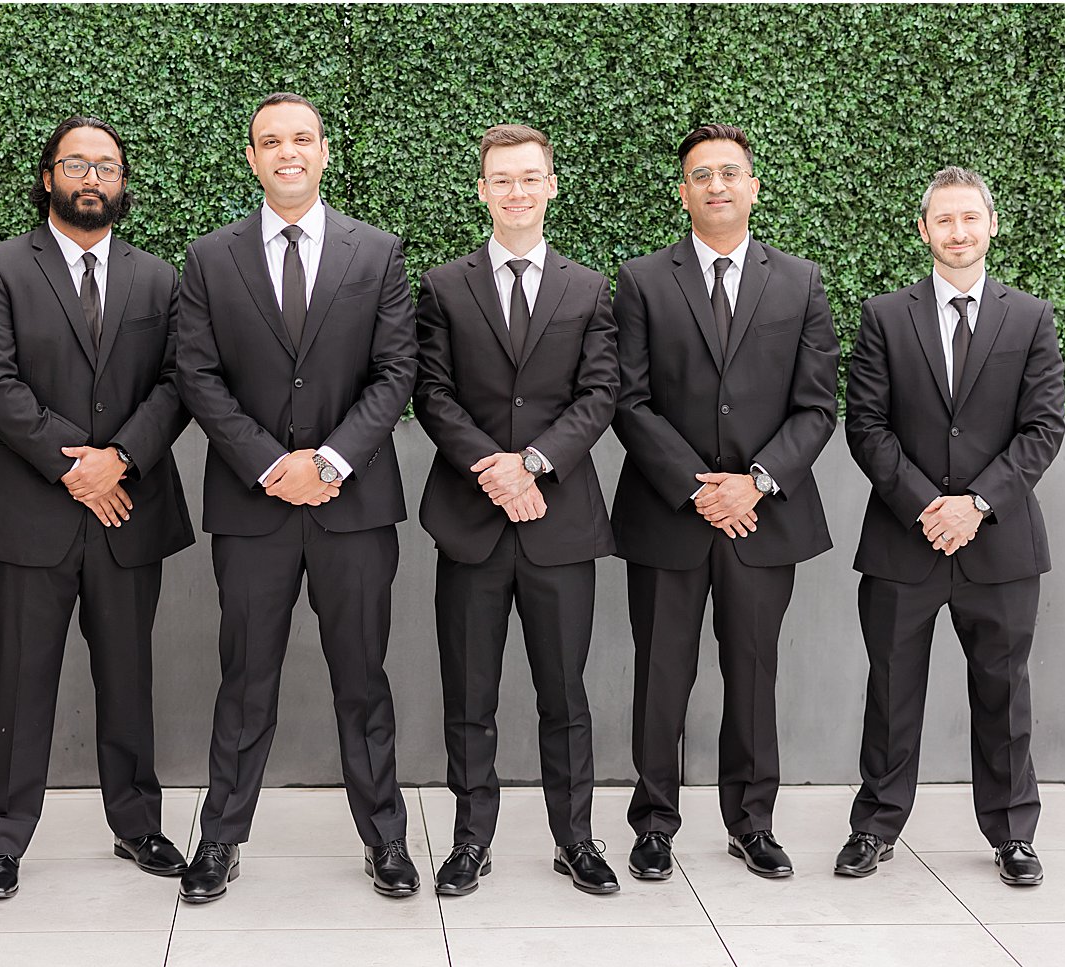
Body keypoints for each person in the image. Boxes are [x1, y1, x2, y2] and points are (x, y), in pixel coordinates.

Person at [174, 92, 419, 903]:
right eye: (270, 141)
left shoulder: (377, 253)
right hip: (254, 505)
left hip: (354, 506)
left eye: (302, 139)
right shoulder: (210, 258)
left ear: (323, 152)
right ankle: (218, 839)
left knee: (363, 677)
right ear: (252, 158)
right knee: (245, 678)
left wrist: (334, 460)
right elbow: (198, 375)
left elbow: (396, 373)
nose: (287, 151)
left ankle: (385, 840)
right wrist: (269, 462)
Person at [0, 116, 194, 900]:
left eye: (108, 167)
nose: (93, 178)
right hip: (29, 513)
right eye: (77, 164)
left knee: (128, 675)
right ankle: (3, 840)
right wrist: (77, 466)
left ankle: (136, 823)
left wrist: (118, 459)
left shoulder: (160, 279)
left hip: (131, 509)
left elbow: (178, 382)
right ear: (48, 175)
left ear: (123, 183)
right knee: (22, 683)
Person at [610, 124, 839, 881]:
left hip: (763, 516)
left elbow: (816, 407)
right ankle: (652, 823)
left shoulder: (800, 282)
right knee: (661, 675)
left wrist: (757, 481)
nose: (716, 184)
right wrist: (697, 488)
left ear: (754, 186)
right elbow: (630, 400)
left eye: (730, 172)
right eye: (701, 174)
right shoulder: (642, 279)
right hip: (669, 513)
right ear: (683, 192)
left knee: (752, 672)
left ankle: (752, 822)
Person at [837, 167, 1065, 886]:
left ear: (991, 225)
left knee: (1004, 691)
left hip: (999, 543)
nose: (958, 232)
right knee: (891, 688)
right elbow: (866, 427)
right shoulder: (884, 315)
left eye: (970, 218)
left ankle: (1013, 833)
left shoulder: (1030, 317)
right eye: (944, 220)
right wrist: (925, 506)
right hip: (905, 539)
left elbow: (1042, 427)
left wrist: (976, 505)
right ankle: (874, 826)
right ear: (923, 230)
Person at [414, 124, 620, 896]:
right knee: (470, 693)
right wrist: (492, 470)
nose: (517, 191)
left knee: (563, 693)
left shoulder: (590, 288)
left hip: (558, 522)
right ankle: (472, 840)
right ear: (482, 190)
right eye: (501, 179)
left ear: (551, 185)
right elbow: (431, 392)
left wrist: (532, 463)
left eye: (530, 177)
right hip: (470, 523)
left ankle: (576, 840)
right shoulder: (441, 286)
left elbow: (600, 393)